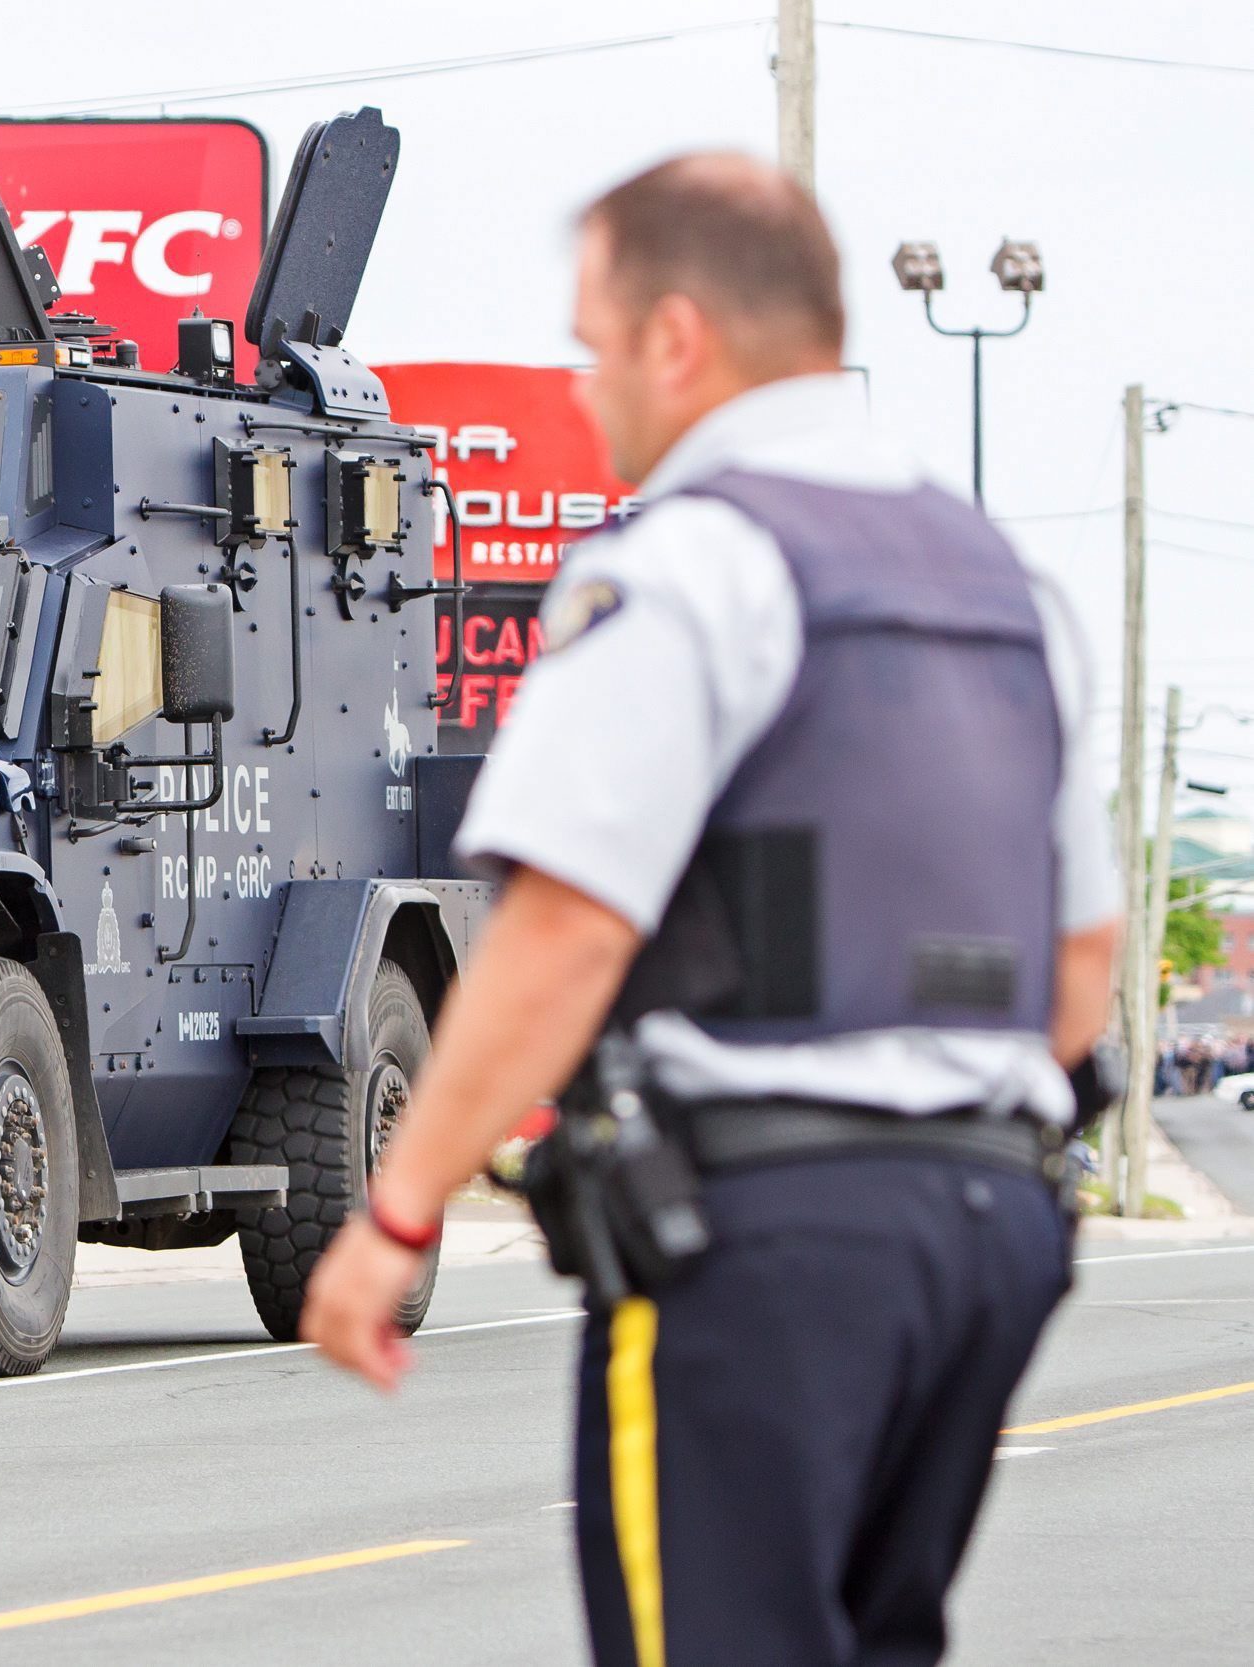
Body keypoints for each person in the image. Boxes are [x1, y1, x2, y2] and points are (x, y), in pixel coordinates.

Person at [301, 153, 1118, 1667]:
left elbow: (565, 931)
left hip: (773, 1238)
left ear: (677, 337)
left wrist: (396, 1212)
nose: (591, 385)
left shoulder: (690, 563)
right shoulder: (1010, 588)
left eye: (595, 344)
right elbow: (1081, 964)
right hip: (990, 1226)